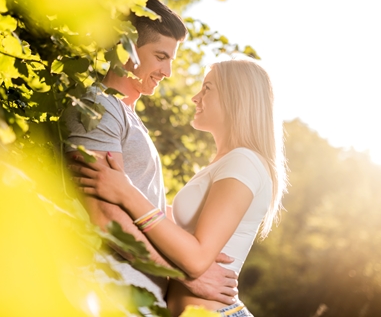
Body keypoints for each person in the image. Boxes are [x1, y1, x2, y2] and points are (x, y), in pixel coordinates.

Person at [70, 59, 288, 316]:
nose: (196, 98)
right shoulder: (227, 162)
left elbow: (196, 259)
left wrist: (126, 192)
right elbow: (174, 225)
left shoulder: (244, 162)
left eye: (207, 88)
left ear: (236, 98)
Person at [63, 0, 239, 308]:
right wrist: (186, 273)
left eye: (171, 59)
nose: (168, 71)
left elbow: (144, 203)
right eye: (160, 56)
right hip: (107, 293)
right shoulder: (99, 108)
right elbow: (104, 216)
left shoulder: (127, 115)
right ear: (128, 48)